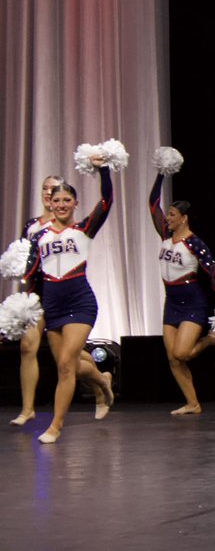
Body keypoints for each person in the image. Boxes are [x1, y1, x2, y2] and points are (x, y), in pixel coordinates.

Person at [19, 160, 116, 443]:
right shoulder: (39, 236)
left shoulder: (84, 229)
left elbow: (107, 201)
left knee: (64, 364)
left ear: (75, 203)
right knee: (69, 365)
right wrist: (24, 303)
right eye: (57, 200)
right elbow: (30, 272)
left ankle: (56, 426)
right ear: (51, 203)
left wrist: (104, 170)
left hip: (80, 303)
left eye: (67, 200)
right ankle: (102, 381)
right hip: (52, 306)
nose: (61, 204)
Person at [148, 173, 215, 415]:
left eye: (172, 215)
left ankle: (208, 340)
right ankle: (193, 403)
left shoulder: (195, 244)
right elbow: (153, 203)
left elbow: (213, 273)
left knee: (182, 352)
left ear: (184, 218)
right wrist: (161, 173)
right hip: (170, 302)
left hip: (193, 302)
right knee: (173, 359)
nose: (168, 219)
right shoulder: (165, 235)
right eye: (169, 215)